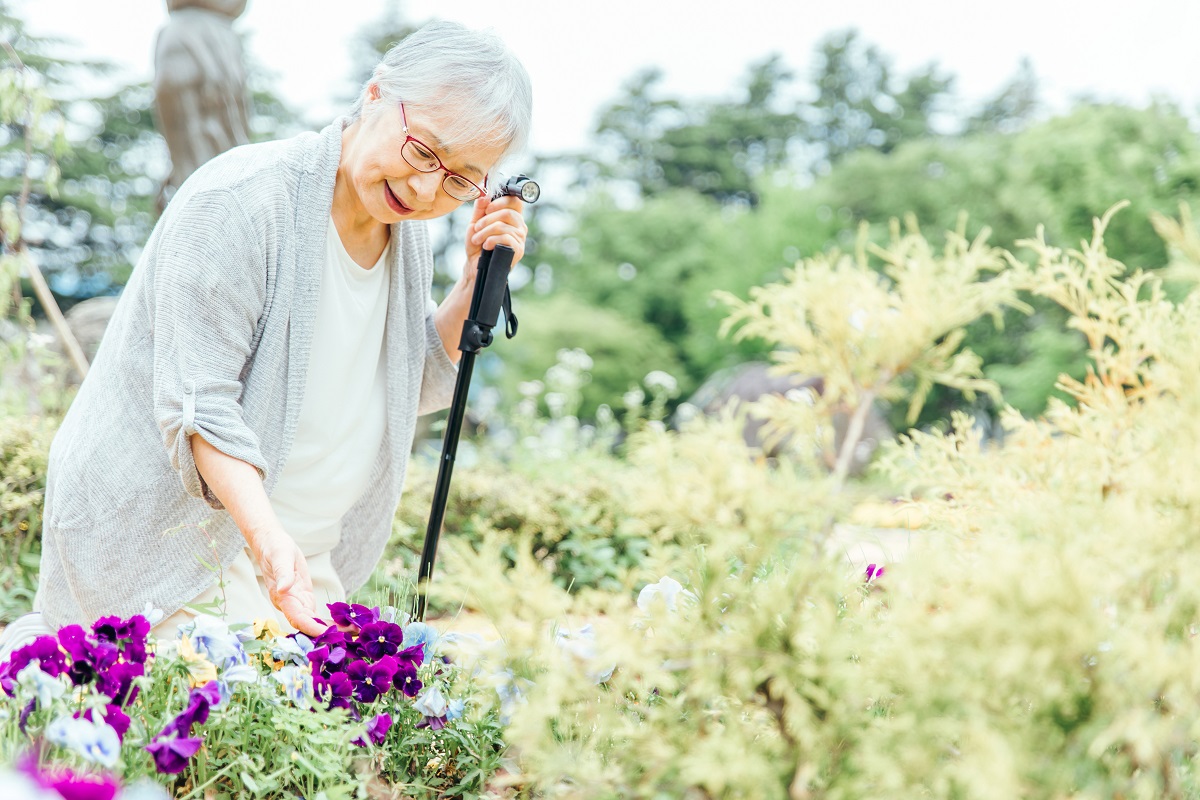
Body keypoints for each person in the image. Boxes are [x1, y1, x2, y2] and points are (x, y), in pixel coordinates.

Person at [19, 19, 533, 643]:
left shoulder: (406, 231)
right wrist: (270, 545)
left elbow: (410, 381)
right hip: (181, 554)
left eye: (459, 178)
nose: (426, 186)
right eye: (423, 149)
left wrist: (475, 280)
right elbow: (198, 407)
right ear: (375, 95)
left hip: (298, 563)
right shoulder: (242, 200)